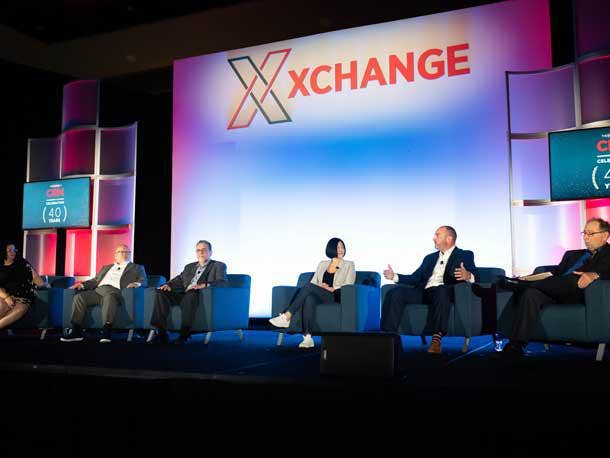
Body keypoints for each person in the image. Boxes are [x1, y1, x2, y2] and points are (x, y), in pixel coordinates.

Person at [501, 217, 610, 357]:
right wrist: (544, 276)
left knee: (571, 279)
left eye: (591, 233)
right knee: (531, 294)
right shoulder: (572, 255)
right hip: (558, 289)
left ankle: (519, 283)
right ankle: (516, 345)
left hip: (581, 292)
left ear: (605, 235)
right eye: (584, 233)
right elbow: (558, 274)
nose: (586, 237)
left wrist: (596, 274)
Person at [381, 226, 477, 354]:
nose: (434, 238)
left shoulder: (464, 255)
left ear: (449, 239)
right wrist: (394, 276)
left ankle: (436, 339)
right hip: (425, 292)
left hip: (446, 293)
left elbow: (476, 275)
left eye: (437, 235)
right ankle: (389, 339)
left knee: (441, 290)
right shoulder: (429, 258)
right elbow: (415, 278)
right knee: (395, 292)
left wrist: (468, 275)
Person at [269, 237, 356, 349]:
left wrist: (332, 288)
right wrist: (321, 286)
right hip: (321, 294)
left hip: (335, 295)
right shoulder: (322, 264)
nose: (341, 250)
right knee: (309, 298)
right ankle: (308, 338)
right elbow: (314, 282)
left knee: (308, 287)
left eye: (342, 247)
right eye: (338, 247)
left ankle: (287, 316)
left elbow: (349, 284)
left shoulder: (349, 264)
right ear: (331, 249)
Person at [61, 244, 147, 343]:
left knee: (109, 297)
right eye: (119, 252)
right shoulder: (107, 267)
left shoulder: (137, 267)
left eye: (125, 252)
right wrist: (82, 285)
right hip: (98, 291)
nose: (122, 254)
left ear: (129, 254)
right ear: (116, 255)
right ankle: (76, 331)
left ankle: (106, 332)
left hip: (116, 291)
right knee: (80, 297)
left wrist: (136, 284)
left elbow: (143, 280)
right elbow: (95, 280)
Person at [149, 240, 228, 344]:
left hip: (200, 296)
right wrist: (168, 285)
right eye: (198, 250)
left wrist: (203, 285)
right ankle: (161, 332)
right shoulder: (189, 266)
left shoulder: (218, 265)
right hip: (183, 294)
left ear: (210, 252)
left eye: (204, 250)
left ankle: (184, 334)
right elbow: (179, 279)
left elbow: (222, 282)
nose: (201, 252)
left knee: (192, 292)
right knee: (161, 293)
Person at [0, 242, 48, 330]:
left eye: (14, 250)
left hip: (23, 298)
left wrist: (45, 285)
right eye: (10, 250)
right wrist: (6, 297)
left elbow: (34, 277)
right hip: (6, 296)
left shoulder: (22, 263)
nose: (13, 252)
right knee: (1, 307)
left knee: (19, 310)